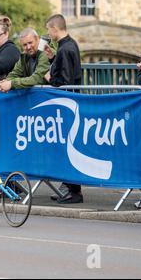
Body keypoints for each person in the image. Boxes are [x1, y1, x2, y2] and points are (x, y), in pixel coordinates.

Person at [43, 14, 83, 204]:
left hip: (67, 103)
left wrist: (51, 79)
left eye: (48, 30)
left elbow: (65, 80)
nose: (48, 34)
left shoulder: (66, 48)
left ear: (54, 29)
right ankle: (69, 187)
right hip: (69, 102)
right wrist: (52, 59)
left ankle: (74, 191)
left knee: (69, 147)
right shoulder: (67, 46)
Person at [0, 27, 50, 92]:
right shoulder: (24, 56)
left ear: (37, 39)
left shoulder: (46, 52)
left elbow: (37, 79)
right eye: (25, 45)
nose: (28, 47)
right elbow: (14, 73)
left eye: (30, 43)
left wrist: (11, 83)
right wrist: (5, 83)